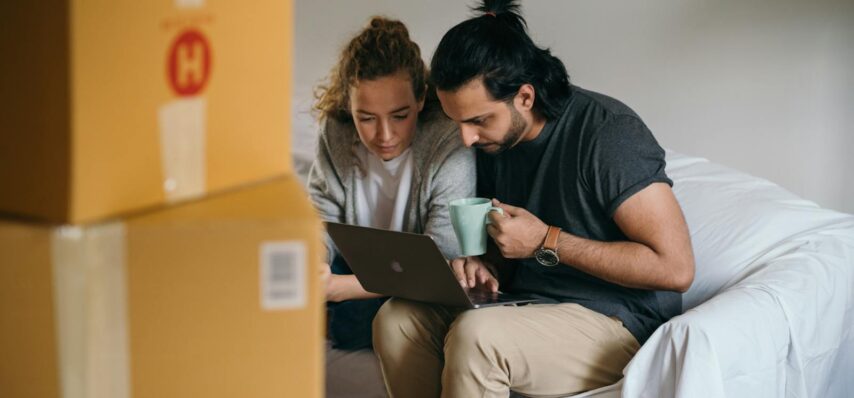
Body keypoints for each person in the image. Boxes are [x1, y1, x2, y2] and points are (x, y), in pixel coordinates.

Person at [371, 1, 696, 397]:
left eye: (478, 121)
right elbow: (512, 253)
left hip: (619, 321)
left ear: (525, 97)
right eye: (458, 122)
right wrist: (484, 266)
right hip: (525, 303)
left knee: (478, 336)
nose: (466, 139)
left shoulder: (607, 135)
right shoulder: (496, 143)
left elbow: (676, 269)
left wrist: (546, 240)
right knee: (396, 318)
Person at [307, 16, 475, 398]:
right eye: (366, 118)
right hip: (353, 268)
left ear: (420, 98)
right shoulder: (334, 132)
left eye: (400, 115)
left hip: (422, 283)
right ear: (348, 106)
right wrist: (316, 261)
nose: (384, 136)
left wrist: (341, 289)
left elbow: (443, 257)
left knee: (407, 319)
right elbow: (319, 217)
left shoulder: (447, 140)